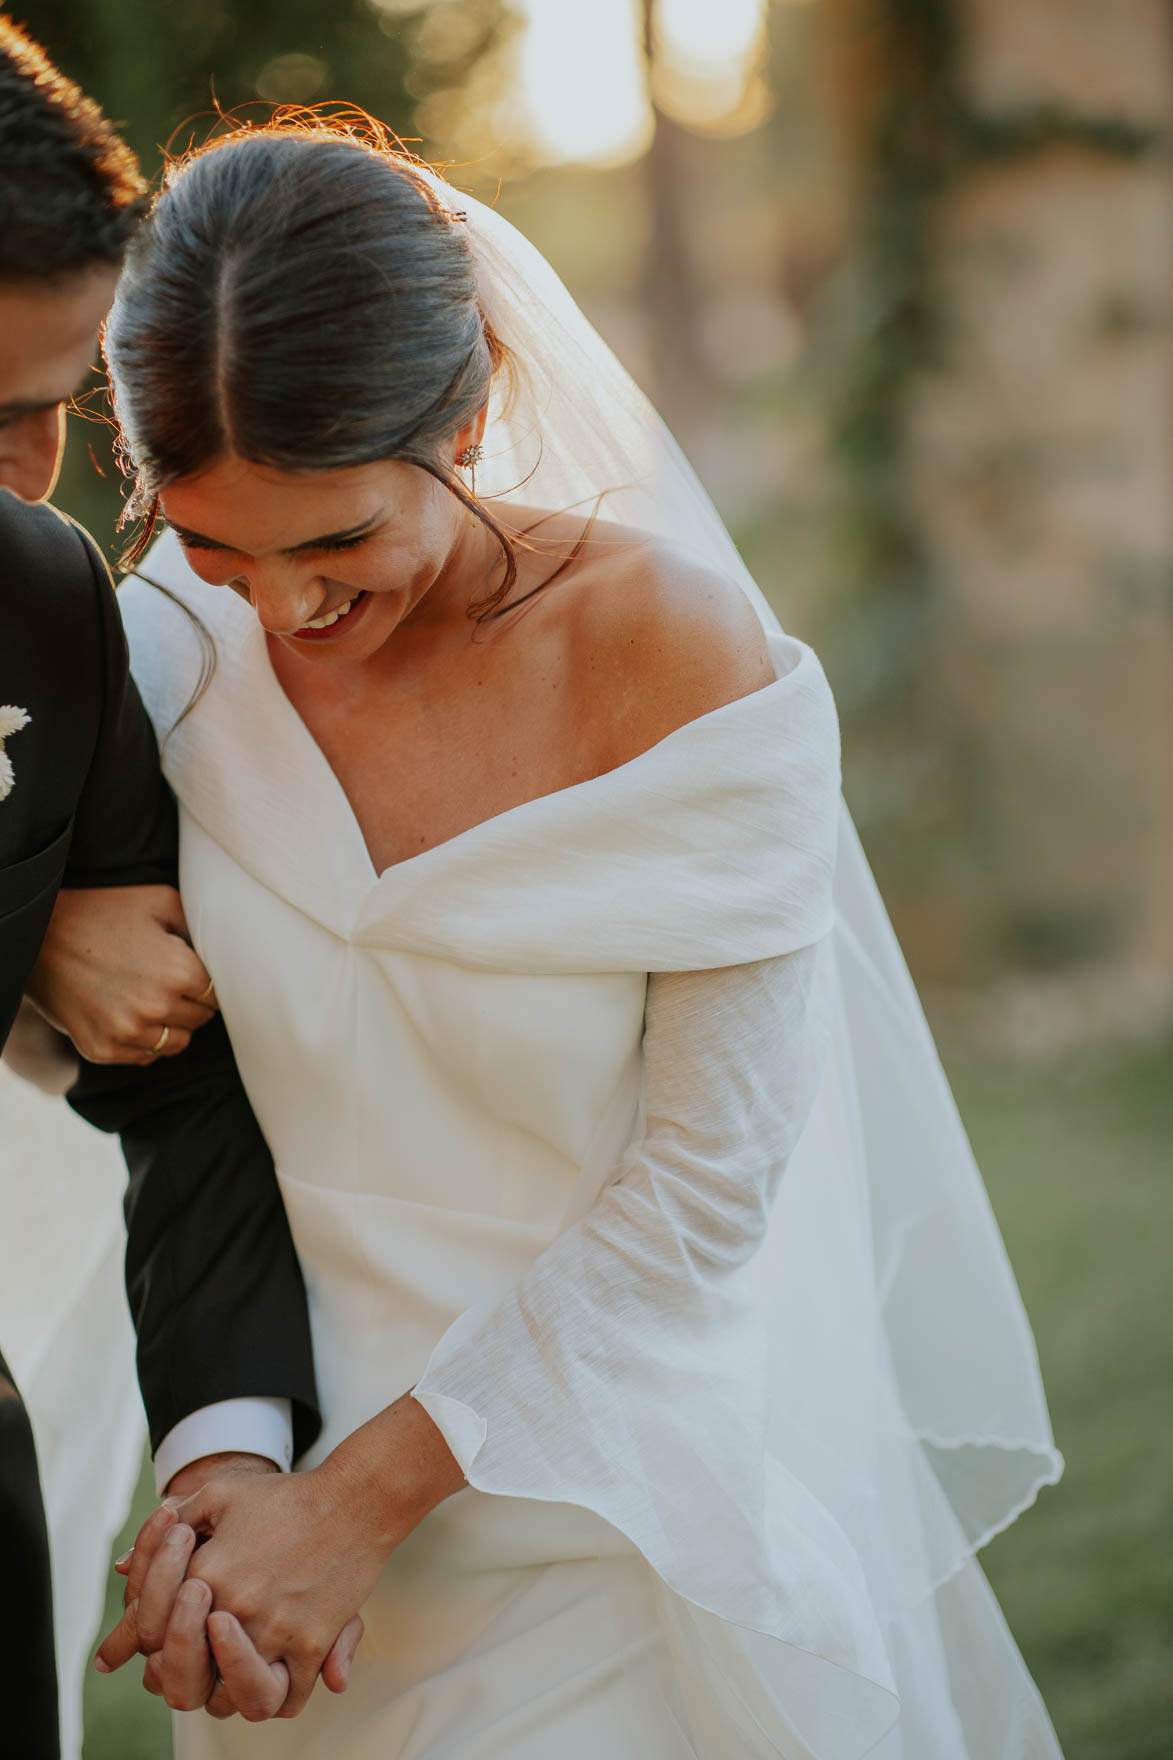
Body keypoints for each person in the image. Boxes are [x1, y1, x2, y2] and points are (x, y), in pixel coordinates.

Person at [74, 118, 1065, 1755]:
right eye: (213, 544)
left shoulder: (673, 658)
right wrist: (235, 1476)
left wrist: (362, 1511)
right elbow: (177, 1111)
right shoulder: (160, 660)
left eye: (336, 544)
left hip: (602, 1497)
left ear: (464, 414)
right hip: (278, 1537)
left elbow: (700, 1192)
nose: (285, 611)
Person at [0, 24, 347, 1752]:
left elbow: (187, 1094)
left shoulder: (50, 611)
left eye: (60, 410)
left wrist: (222, 1448)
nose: (30, 477)